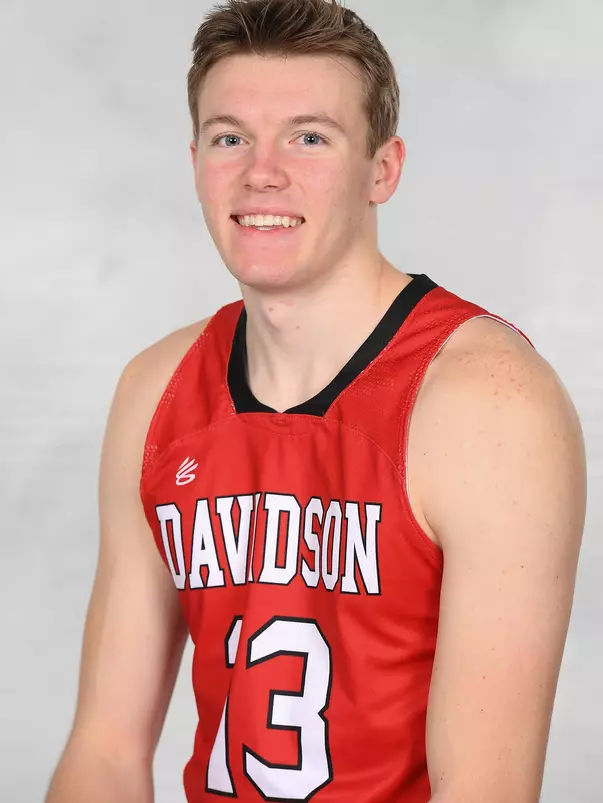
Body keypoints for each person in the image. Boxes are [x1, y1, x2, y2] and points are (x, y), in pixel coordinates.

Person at [45, 1, 587, 801]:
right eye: (231, 137)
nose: (262, 172)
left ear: (382, 169)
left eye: (308, 136)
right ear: (195, 159)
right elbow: (106, 749)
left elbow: (484, 786)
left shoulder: (489, 404)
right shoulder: (155, 389)